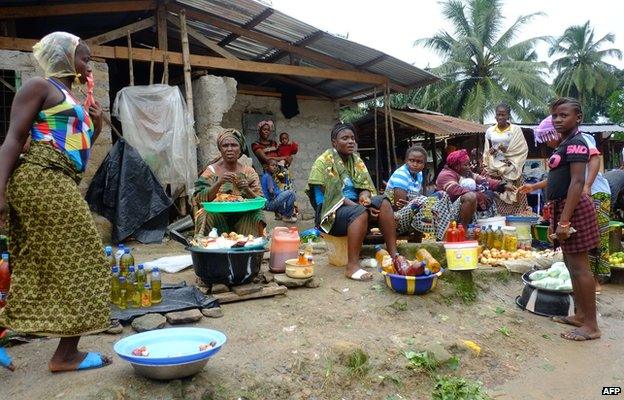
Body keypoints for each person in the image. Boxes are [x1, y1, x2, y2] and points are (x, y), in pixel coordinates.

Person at [0, 32, 111, 372]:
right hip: (41, 177)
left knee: (35, 267)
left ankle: (56, 350)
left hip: (58, 179)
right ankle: (64, 356)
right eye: (84, 58)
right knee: (88, 258)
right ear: (64, 56)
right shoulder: (39, 86)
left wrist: (97, 122)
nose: (87, 65)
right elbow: (13, 138)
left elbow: (75, 145)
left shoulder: (68, 96)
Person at [520, 116, 611, 293]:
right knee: (577, 247)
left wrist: (587, 186)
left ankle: (596, 281)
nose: (547, 143)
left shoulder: (580, 139)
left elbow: (594, 160)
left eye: (547, 138)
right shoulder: (563, 148)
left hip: (595, 193)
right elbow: (557, 178)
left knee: (593, 240)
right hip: (573, 196)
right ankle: (585, 289)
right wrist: (534, 186)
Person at [308, 123, 406, 281]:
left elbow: (365, 187)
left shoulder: (356, 161)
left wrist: (365, 197)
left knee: (384, 202)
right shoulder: (323, 162)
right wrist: (362, 208)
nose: (350, 141)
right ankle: (352, 266)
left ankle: (394, 255)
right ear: (334, 142)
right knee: (359, 212)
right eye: (345, 138)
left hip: (354, 208)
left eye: (352, 138)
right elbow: (327, 198)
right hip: (329, 214)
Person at [546, 97, 600, 341]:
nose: (558, 119)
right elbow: (560, 177)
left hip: (575, 210)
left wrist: (565, 221)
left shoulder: (577, 142)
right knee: (571, 265)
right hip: (565, 209)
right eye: (555, 115)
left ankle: (591, 326)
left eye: (564, 115)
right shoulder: (565, 142)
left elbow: (577, 182)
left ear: (578, 118)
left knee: (580, 268)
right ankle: (580, 315)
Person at [193, 129, 265, 237]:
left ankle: (250, 248)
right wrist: (218, 183)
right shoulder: (211, 171)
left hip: (242, 215)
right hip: (217, 216)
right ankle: (208, 248)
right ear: (220, 149)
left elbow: (260, 201)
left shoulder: (249, 172)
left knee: (257, 214)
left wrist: (247, 189)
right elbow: (199, 198)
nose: (229, 149)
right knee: (204, 214)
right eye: (225, 145)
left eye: (234, 145)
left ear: (240, 149)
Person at [435, 149, 507, 228]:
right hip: (446, 212)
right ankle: (463, 230)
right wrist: (478, 195)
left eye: (469, 164)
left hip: (457, 209)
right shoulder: (446, 174)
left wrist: (501, 185)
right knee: (470, 197)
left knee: (491, 194)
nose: (469, 167)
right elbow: (455, 191)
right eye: (465, 165)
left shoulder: (465, 173)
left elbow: (483, 180)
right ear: (456, 166)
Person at [482, 103, 530, 215]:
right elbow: (487, 149)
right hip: (495, 169)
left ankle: (517, 223)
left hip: (512, 168)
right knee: (497, 198)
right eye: (498, 115)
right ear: (495, 116)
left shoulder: (515, 129)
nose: (500, 117)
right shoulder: (490, 131)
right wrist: (491, 152)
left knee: (516, 198)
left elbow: (521, 149)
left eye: (503, 115)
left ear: (508, 116)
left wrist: (506, 150)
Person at [386, 145, 428, 234]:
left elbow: (414, 200)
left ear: (424, 164)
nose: (415, 164)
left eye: (419, 162)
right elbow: (399, 206)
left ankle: (443, 238)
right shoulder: (401, 174)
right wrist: (414, 203)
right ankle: (431, 231)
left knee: (441, 195)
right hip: (394, 219)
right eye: (411, 160)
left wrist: (413, 203)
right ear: (406, 161)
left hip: (411, 215)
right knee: (423, 200)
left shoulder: (419, 174)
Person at [252, 120, 293, 190]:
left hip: (282, 170)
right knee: (275, 192)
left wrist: (288, 159)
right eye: (264, 129)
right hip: (270, 172)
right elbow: (266, 159)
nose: (266, 131)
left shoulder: (273, 143)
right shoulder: (256, 145)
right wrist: (284, 157)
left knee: (287, 191)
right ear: (259, 131)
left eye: (268, 130)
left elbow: (280, 154)